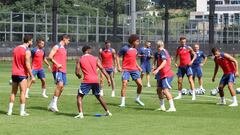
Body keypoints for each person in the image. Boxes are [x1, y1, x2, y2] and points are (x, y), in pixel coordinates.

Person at [74, 46, 112, 118]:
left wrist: (79, 76)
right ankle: (108, 112)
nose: (91, 51)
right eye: (90, 49)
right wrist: (108, 78)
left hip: (86, 80)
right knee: (99, 96)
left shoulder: (80, 59)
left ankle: (81, 114)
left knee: (79, 96)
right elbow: (102, 68)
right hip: (95, 80)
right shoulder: (96, 58)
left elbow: (77, 72)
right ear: (87, 50)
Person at [7, 35, 35, 116]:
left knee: (13, 92)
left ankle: (9, 111)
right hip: (22, 74)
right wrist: (32, 75)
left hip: (14, 74)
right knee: (23, 92)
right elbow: (27, 65)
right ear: (29, 41)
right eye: (31, 41)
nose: (32, 42)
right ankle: (22, 112)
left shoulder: (16, 48)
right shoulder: (27, 51)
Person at [116, 34, 144, 107]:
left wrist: (138, 67)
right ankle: (122, 103)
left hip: (134, 69)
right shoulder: (125, 48)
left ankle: (137, 99)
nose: (138, 43)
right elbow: (117, 56)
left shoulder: (135, 50)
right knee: (124, 84)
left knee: (140, 85)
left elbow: (133, 60)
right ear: (132, 41)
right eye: (137, 41)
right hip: (126, 69)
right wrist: (118, 66)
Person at [48, 34, 70, 112]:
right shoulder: (57, 46)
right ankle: (54, 105)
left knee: (62, 88)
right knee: (59, 85)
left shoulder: (64, 48)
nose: (69, 41)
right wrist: (57, 64)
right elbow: (50, 57)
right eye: (68, 40)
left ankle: (52, 103)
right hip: (57, 70)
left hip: (63, 70)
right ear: (64, 39)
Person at [152, 40, 176, 112]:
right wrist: (153, 65)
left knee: (165, 90)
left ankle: (172, 107)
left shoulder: (163, 51)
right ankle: (162, 106)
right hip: (161, 74)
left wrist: (157, 69)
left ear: (162, 46)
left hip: (166, 74)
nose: (159, 48)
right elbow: (155, 59)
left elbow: (164, 61)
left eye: (160, 46)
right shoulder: (159, 52)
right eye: (158, 46)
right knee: (159, 90)